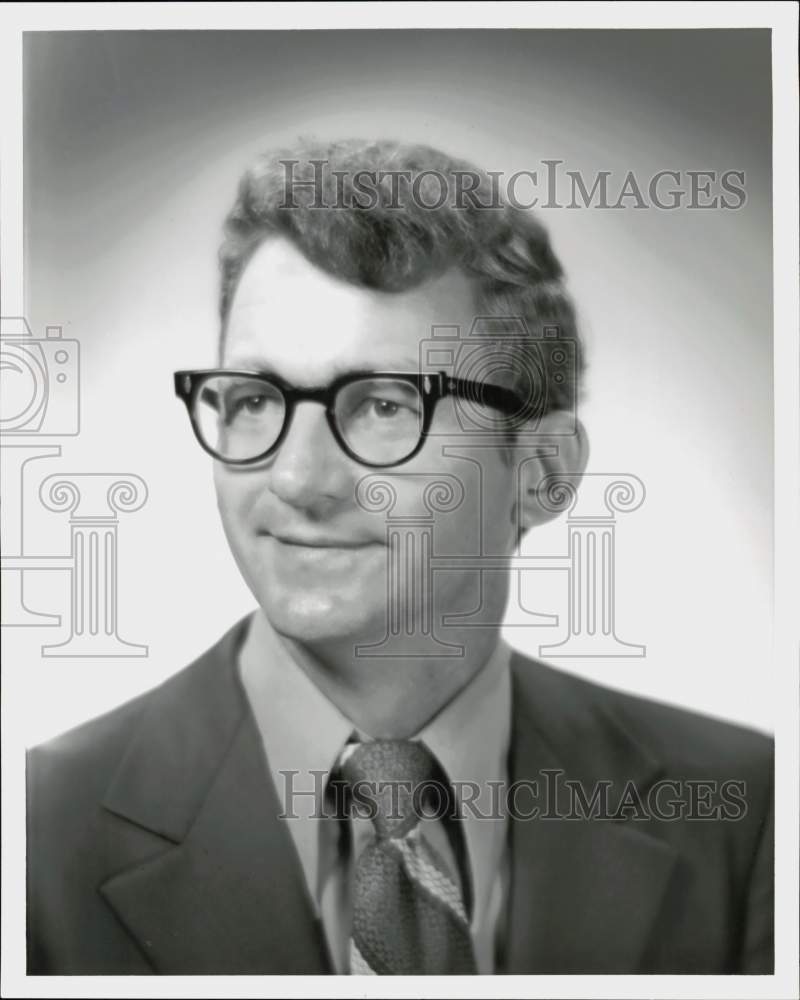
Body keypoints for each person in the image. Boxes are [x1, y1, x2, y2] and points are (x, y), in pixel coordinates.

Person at [26, 139, 773, 975]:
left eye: (385, 405)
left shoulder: (751, 817)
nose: (297, 478)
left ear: (542, 471)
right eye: (253, 400)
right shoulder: (31, 838)